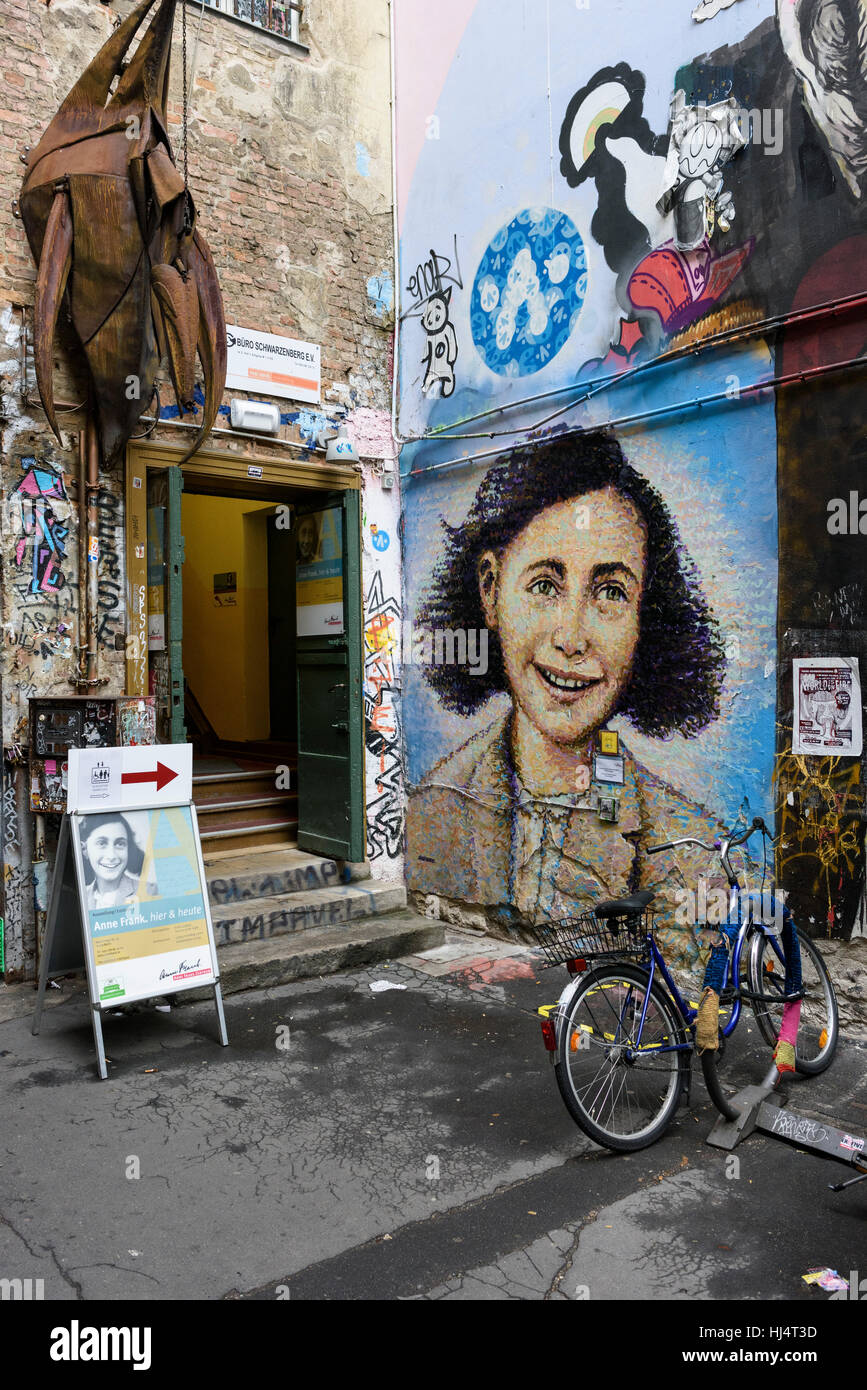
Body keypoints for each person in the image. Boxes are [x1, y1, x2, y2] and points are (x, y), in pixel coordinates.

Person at [406, 429, 731, 972]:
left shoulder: (691, 846)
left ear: (643, 618)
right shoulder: (430, 809)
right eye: (544, 585)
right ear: (491, 590)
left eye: (610, 592)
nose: (572, 638)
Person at [81, 813, 141, 911]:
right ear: (84, 849)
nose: (111, 856)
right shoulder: (81, 897)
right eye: (101, 843)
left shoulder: (150, 891)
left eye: (120, 844)